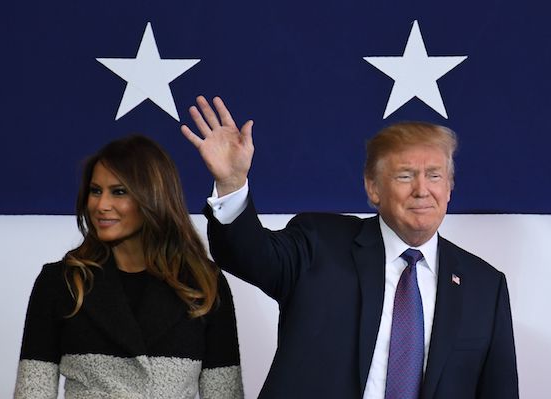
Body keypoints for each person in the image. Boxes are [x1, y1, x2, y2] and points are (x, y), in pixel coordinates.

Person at [181, 96, 518, 399]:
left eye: (434, 175)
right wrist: (232, 183)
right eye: (404, 176)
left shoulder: (484, 287)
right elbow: (248, 256)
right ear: (373, 188)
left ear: (449, 188)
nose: (421, 190)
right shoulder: (318, 243)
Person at [14, 135, 243, 399]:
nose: (101, 205)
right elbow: (32, 392)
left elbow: (225, 393)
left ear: (154, 197)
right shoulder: (60, 282)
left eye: (119, 192)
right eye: (95, 190)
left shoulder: (205, 283)